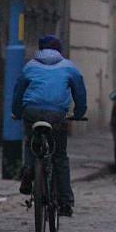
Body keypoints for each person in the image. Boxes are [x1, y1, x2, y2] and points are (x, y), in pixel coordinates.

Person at [12, 35, 87, 217]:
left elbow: (18, 91)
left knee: (31, 141)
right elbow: (80, 92)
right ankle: (65, 202)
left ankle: (29, 169)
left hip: (32, 111)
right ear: (59, 50)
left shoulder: (30, 66)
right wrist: (78, 114)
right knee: (59, 157)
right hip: (56, 115)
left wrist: (17, 112)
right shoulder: (69, 67)